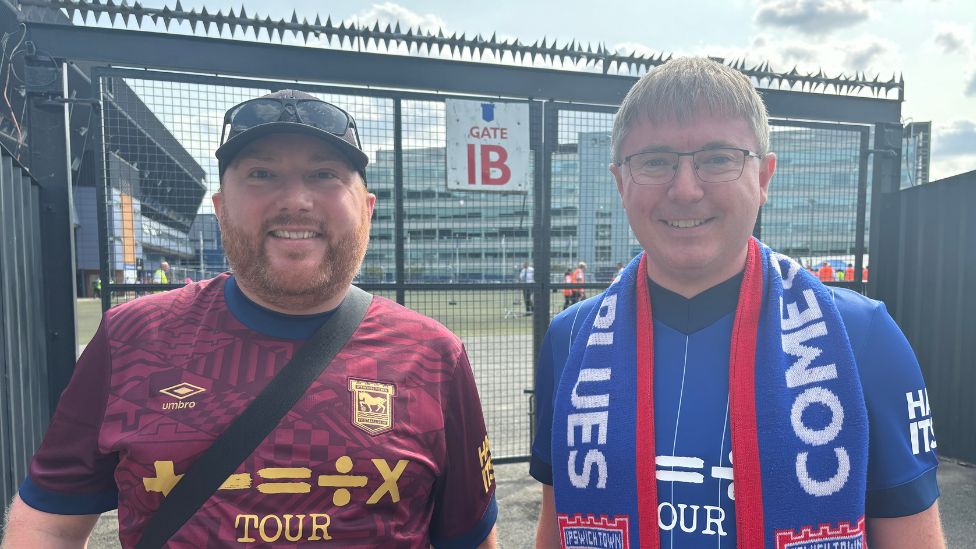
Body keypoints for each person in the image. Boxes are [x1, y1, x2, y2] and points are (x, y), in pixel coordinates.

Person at [3, 90, 497, 548]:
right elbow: (48, 522)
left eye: (325, 174)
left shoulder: (433, 356)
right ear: (219, 208)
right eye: (261, 174)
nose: (295, 200)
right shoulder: (132, 336)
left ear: (367, 209)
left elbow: (470, 538)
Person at [531, 58, 943, 548]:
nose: (685, 189)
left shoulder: (862, 337)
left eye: (718, 158)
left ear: (764, 176)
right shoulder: (570, 339)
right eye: (655, 161)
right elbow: (556, 528)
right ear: (621, 182)